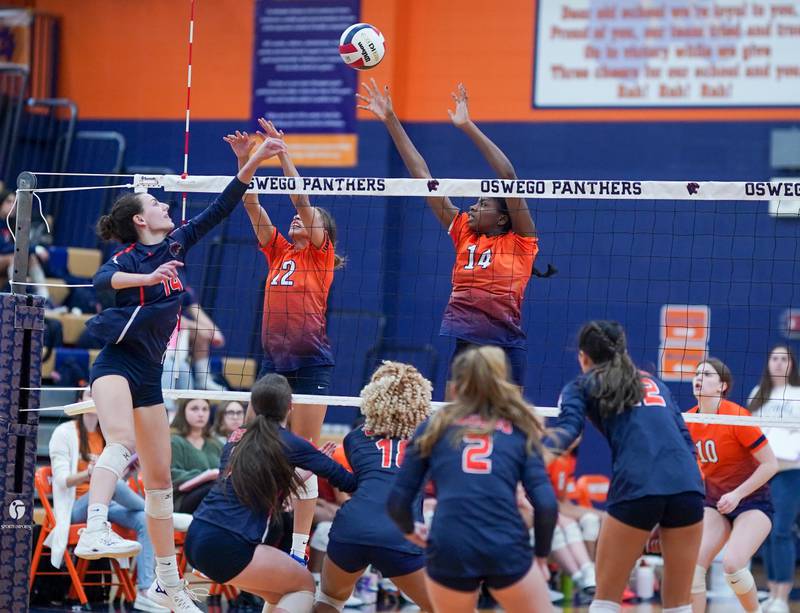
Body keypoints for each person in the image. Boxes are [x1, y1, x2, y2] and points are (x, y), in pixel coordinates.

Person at [74, 135, 286, 612]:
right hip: (114, 364)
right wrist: (148, 280)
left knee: (160, 480)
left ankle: (166, 584)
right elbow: (102, 281)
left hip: (149, 374)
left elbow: (221, 207)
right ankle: (95, 528)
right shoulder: (127, 260)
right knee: (121, 442)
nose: (165, 204)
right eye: (156, 202)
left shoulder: (175, 242)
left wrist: (252, 160)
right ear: (138, 220)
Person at [359, 81, 540, 387]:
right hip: (466, 345)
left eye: (482, 204)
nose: (471, 206)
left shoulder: (520, 242)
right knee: (455, 424)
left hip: (506, 346)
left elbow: (508, 176)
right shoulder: (464, 232)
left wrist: (467, 125)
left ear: (501, 219)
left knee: (509, 428)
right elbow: (422, 177)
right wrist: (391, 120)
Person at [226, 120, 343, 565]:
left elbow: (300, 199)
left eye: (309, 221)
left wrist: (284, 154)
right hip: (274, 364)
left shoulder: (319, 254)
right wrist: (245, 161)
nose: (297, 218)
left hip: (312, 363)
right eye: (295, 219)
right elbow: (253, 208)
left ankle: (298, 550)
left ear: (323, 235)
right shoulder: (278, 251)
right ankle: (248, 533)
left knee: (305, 457)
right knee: (251, 446)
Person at [546, 320, 705, 613]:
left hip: (638, 485)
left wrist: (531, 455)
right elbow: (686, 441)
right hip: (688, 487)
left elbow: (568, 432)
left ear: (583, 356)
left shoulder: (581, 384)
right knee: (679, 604)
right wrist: (665, 510)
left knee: (605, 600)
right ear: (623, 350)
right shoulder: (654, 382)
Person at [387, 346, 558, 613]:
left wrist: (411, 530)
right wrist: (541, 557)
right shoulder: (520, 429)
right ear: (503, 383)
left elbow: (398, 501)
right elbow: (547, 505)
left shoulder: (433, 427)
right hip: (504, 544)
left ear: (455, 387)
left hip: (450, 545)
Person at [184, 373, 358, 612]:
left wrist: (305, 469)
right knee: (304, 586)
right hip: (230, 544)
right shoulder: (291, 443)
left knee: (280, 593)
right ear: (290, 407)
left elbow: (264, 487)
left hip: (196, 535)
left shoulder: (235, 438)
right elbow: (347, 481)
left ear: (253, 406)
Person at [315, 361, 434, 613]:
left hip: (352, 529)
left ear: (372, 396)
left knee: (329, 600)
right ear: (419, 400)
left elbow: (364, 486)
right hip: (398, 532)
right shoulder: (430, 438)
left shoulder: (354, 438)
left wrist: (326, 468)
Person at [49, 389, 167, 612]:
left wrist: (129, 471)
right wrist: (91, 473)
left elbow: (114, 483)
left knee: (143, 519)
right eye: (88, 395)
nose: (94, 399)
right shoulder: (64, 432)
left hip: (106, 505)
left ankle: (144, 591)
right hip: (75, 508)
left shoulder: (109, 435)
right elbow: (62, 481)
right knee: (113, 485)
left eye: (99, 395)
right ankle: (161, 510)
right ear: (79, 402)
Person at [683, 359, 778, 613]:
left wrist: (737, 494)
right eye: (697, 373)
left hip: (752, 502)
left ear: (722, 386)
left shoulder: (736, 416)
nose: (699, 377)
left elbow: (770, 464)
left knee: (733, 564)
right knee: (692, 567)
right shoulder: (688, 419)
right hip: (714, 502)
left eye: (707, 374)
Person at [748, 345, 800, 613]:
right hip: (762, 473)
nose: (779, 363)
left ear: (791, 364)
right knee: (766, 532)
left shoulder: (798, 394)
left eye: (784, 359)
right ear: (768, 363)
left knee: (781, 530)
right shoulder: (758, 394)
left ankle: (783, 595)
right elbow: (749, 434)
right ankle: (771, 591)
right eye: (774, 358)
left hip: (790, 472)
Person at [169, 398, 223, 514]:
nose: (201, 414)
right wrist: (203, 476)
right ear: (183, 412)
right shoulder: (174, 441)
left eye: (205, 409)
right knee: (213, 488)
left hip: (213, 493)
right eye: (194, 409)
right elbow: (171, 474)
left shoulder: (216, 443)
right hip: (182, 498)